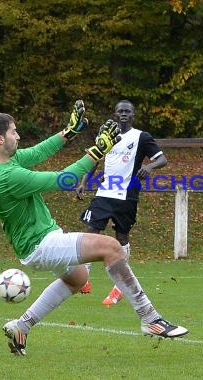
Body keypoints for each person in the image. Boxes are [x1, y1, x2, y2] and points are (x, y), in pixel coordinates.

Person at [0, 100, 188, 356]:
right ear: (0, 139)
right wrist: (98, 151)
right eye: (13, 131)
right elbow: (65, 179)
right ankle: (150, 319)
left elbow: (38, 152)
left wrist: (69, 131)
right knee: (111, 247)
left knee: (78, 278)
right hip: (41, 245)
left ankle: (22, 326)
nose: (18, 136)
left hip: (38, 241)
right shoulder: (7, 176)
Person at [76, 100, 167, 306]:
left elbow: (162, 159)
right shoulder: (106, 136)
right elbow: (94, 160)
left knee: (121, 238)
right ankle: (84, 279)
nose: (123, 114)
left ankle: (120, 288)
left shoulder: (141, 137)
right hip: (105, 192)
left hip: (127, 195)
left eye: (127, 111)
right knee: (91, 230)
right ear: (115, 114)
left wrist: (150, 167)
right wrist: (84, 182)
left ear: (133, 114)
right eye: (120, 111)